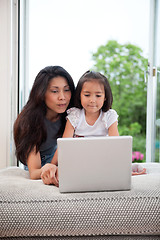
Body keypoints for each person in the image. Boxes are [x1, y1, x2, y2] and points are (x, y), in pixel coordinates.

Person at [41, 70, 146, 185]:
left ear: (105, 97)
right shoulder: (75, 115)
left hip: (102, 162)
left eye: (98, 95)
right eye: (87, 95)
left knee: (134, 167)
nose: (92, 100)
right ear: (79, 96)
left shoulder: (109, 116)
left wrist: (124, 170)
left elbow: (116, 146)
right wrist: (52, 164)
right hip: (78, 162)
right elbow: (63, 145)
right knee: (61, 173)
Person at [14, 66, 75, 186]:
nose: (62, 97)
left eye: (67, 90)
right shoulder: (30, 121)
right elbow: (34, 172)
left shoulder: (71, 115)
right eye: (54, 91)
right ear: (41, 93)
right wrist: (50, 168)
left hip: (62, 160)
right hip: (42, 166)